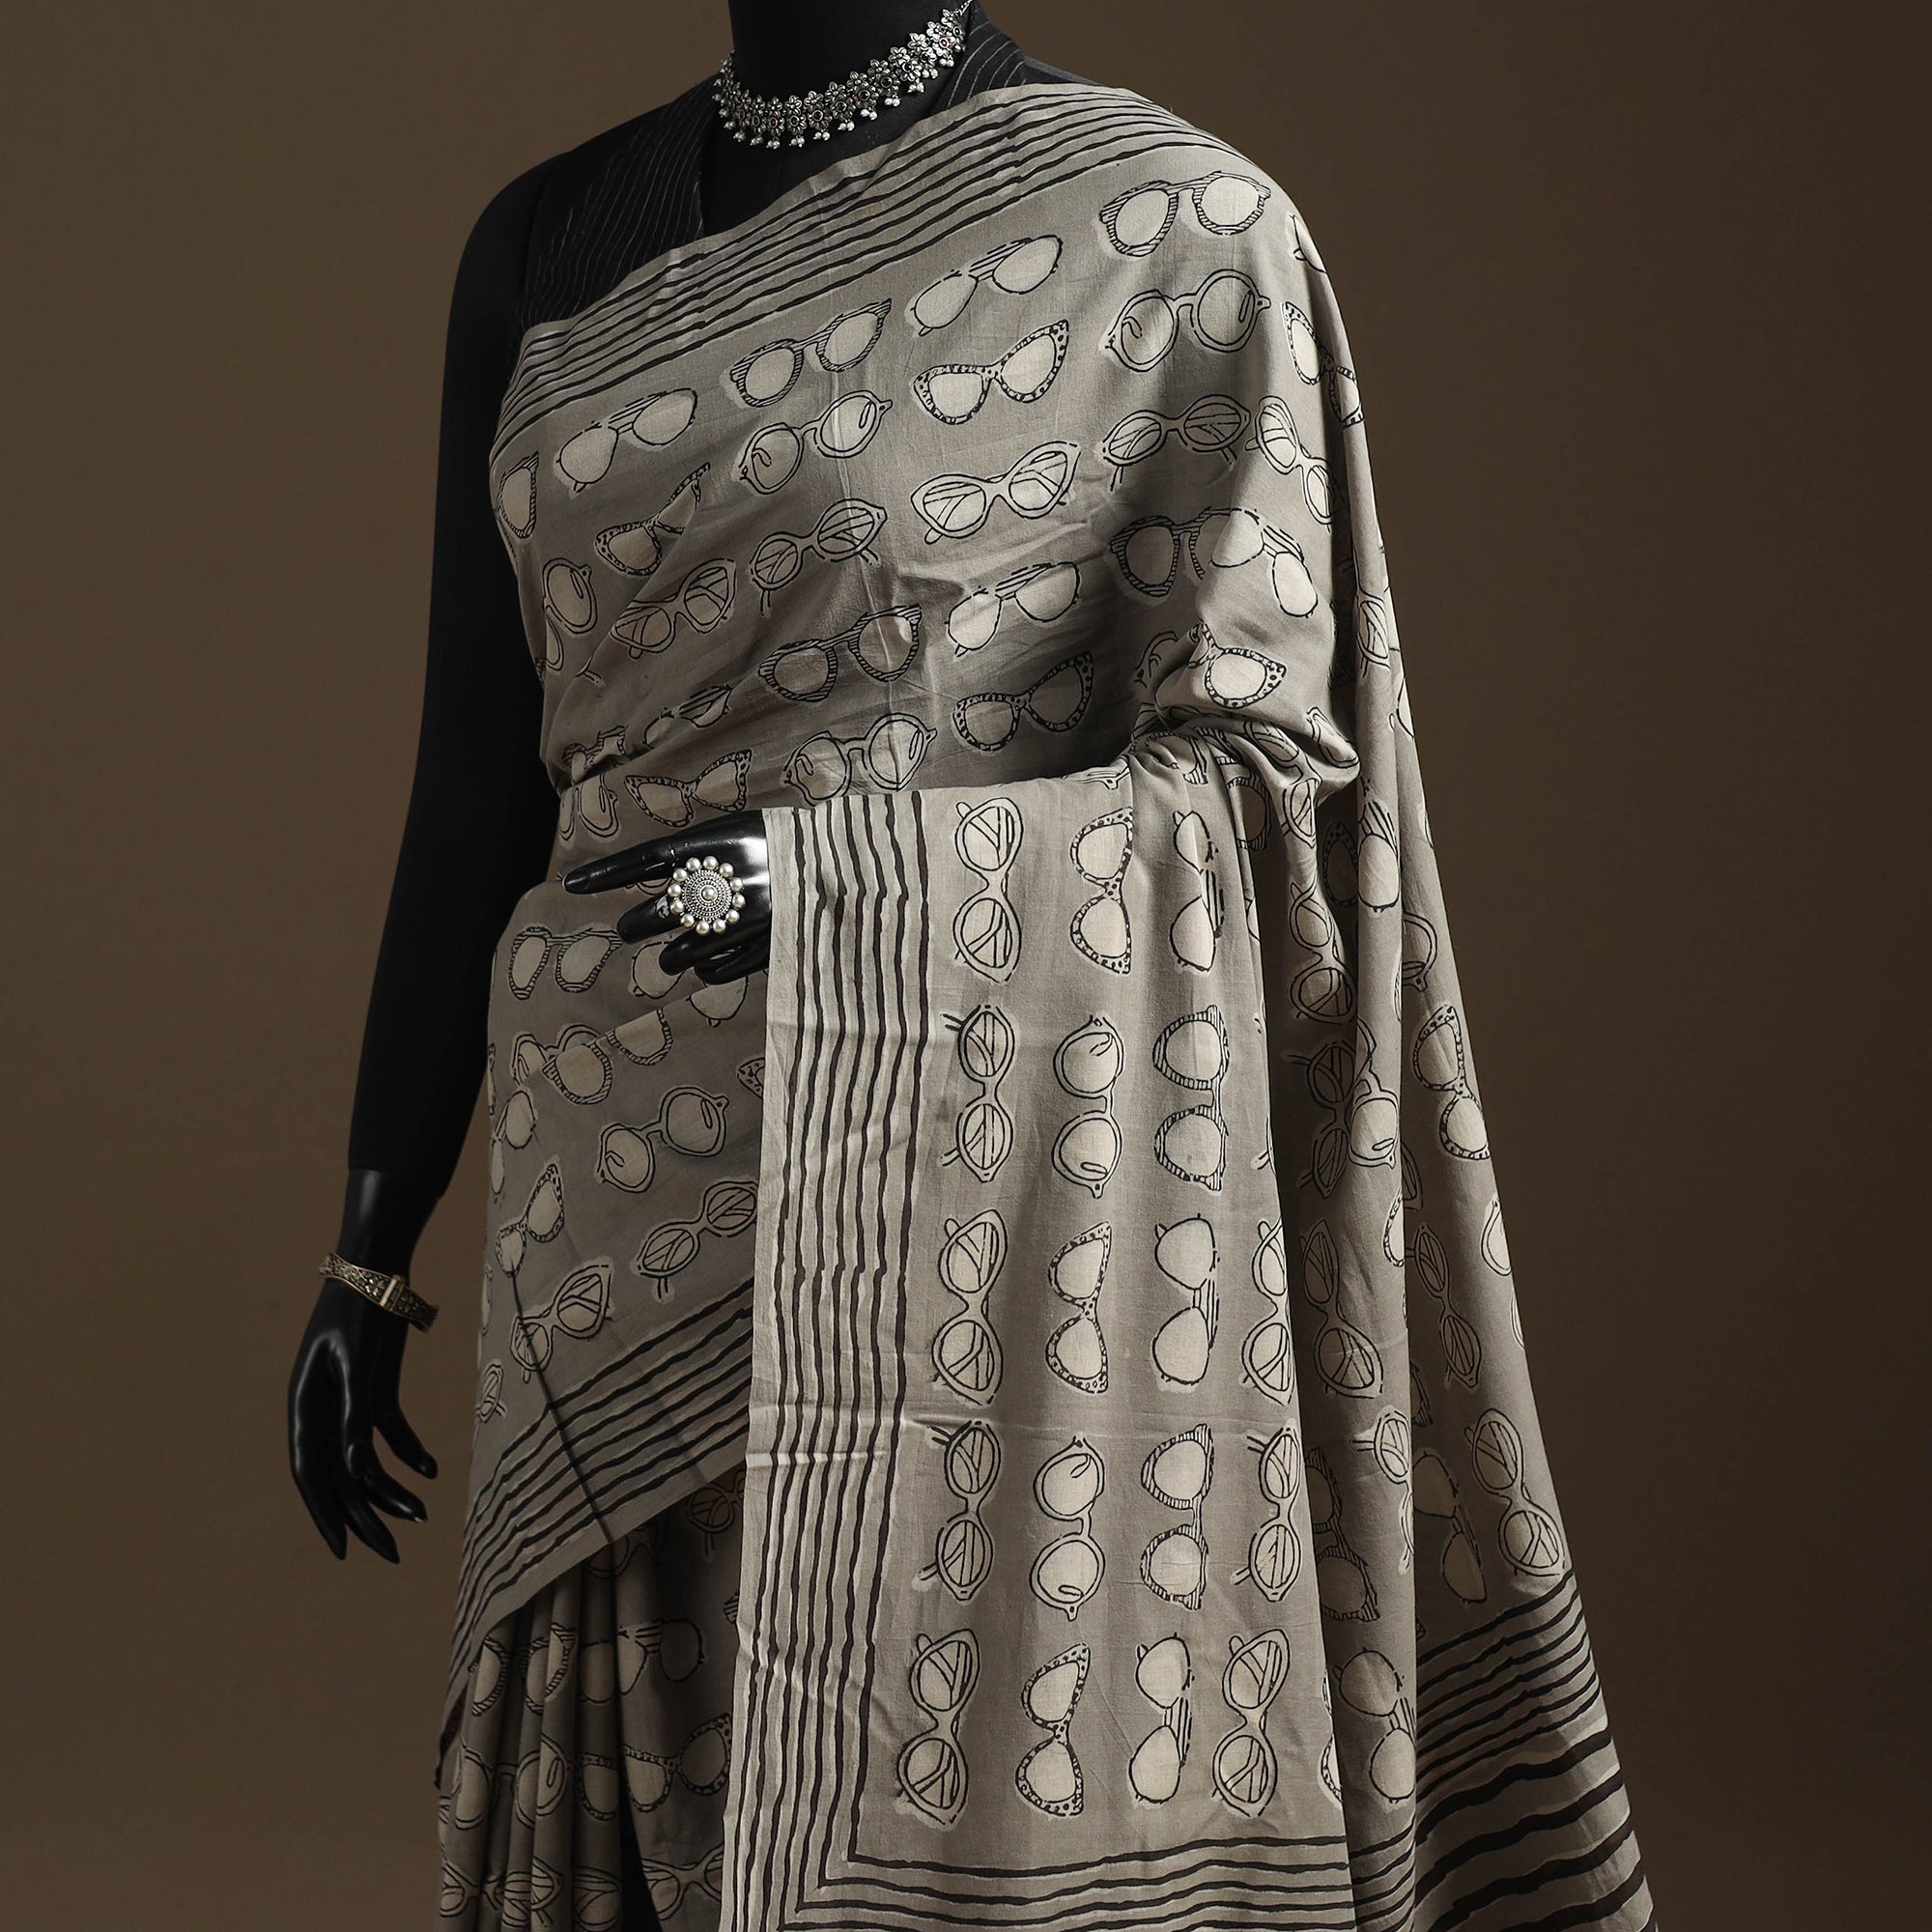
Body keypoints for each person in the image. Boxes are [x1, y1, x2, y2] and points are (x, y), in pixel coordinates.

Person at [288, 7, 1658, 1928]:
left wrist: (830, 888)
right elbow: (473, 789)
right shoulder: (542, 245)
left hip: (968, 1209)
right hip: (606, 1215)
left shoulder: (1169, 227)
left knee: (934, 1756)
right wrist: (371, 1246)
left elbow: (1261, 795)